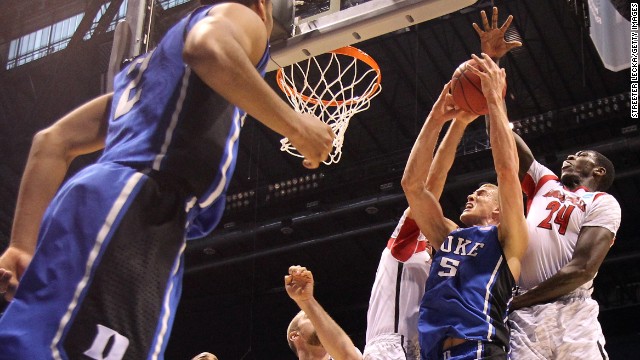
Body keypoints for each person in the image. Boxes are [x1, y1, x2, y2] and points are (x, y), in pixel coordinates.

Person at [0, 0, 334, 358]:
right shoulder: (244, 14)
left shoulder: (158, 72)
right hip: (134, 205)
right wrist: (296, 125)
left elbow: (52, 142)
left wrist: (21, 246)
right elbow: (206, 47)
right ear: (266, 6)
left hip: (122, 207)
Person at [474, 8, 622, 359]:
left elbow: (582, 268)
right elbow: (502, 138)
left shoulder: (601, 202)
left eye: (582, 154)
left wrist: (517, 300)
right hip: (524, 318)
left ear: (599, 171)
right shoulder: (545, 182)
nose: (570, 157)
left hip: (570, 312)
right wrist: (491, 65)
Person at [402, 53, 528, 360]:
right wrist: (436, 118)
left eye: (483, 193)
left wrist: (494, 101)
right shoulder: (447, 236)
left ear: (500, 211)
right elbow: (412, 186)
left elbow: (507, 170)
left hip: (480, 350)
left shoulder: (507, 238)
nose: (471, 195)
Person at [285, 265, 363, 360]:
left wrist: (306, 300)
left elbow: (349, 357)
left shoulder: (348, 352)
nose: (320, 322)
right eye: (309, 317)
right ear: (295, 335)